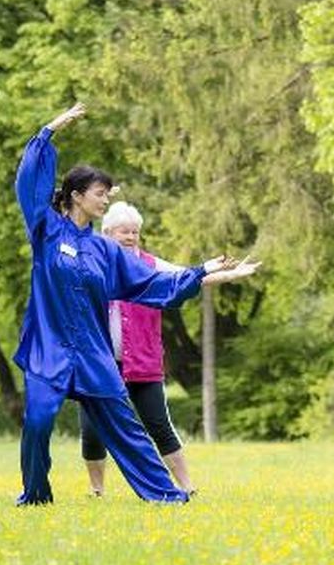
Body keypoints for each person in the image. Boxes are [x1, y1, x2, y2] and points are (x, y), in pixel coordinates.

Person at [14, 103, 258, 505]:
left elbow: (151, 282)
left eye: (107, 195)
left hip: (93, 354)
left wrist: (199, 272)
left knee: (127, 429)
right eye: (99, 194)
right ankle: (36, 495)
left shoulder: (104, 250)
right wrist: (48, 131)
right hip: (49, 348)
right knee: (38, 422)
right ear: (76, 196)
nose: (104, 201)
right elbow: (29, 184)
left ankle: (165, 494)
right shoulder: (45, 230)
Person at [79, 200, 239, 497]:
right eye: (123, 232)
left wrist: (228, 276)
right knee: (92, 428)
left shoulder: (151, 266)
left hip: (143, 362)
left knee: (159, 425)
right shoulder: (92, 265)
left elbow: (187, 277)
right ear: (106, 233)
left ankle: (187, 485)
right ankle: (96, 488)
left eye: (135, 232)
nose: (130, 237)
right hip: (100, 363)